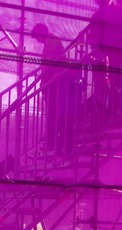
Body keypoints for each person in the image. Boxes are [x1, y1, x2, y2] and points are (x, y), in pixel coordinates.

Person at [31, 23, 78, 155]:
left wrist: (44, 83)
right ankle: (52, 141)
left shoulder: (51, 42)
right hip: (53, 82)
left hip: (54, 83)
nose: (37, 40)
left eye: (37, 37)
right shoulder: (51, 42)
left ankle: (53, 141)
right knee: (53, 114)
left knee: (52, 114)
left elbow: (49, 65)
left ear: (41, 34)